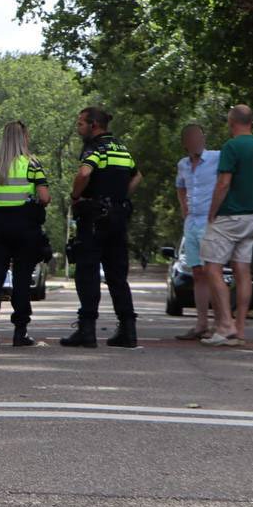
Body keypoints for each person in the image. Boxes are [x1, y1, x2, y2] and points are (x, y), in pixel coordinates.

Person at [61, 107, 142, 348]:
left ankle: (87, 330)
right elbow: (138, 176)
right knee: (118, 276)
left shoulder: (95, 147)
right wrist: (120, 197)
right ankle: (128, 330)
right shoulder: (121, 147)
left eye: (81, 124)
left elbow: (85, 172)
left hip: (94, 218)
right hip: (118, 217)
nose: (78, 129)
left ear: (94, 125)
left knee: (87, 273)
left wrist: (76, 196)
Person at [200, 105, 253, 347]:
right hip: (252, 217)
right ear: (251, 122)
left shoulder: (231, 147)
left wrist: (212, 212)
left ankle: (225, 325)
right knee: (242, 271)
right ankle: (240, 328)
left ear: (231, 122)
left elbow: (224, 183)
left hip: (229, 216)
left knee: (212, 269)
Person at [0, 121, 51, 350]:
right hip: (25, 228)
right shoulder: (32, 164)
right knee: (22, 280)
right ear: (23, 137)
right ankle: (20, 332)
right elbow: (45, 198)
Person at [173, 124, 220, 340]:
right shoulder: (182, 164)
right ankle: (201, 323)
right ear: (186, 143)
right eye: (192, 138)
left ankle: (221, 323)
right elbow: (180, 186)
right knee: (198, 274)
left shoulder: (216, 158)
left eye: (199, 137)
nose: (196, 142)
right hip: (191, 223)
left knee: (213, 273)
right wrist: (184, 208)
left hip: (211, 222)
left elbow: (230, 180)